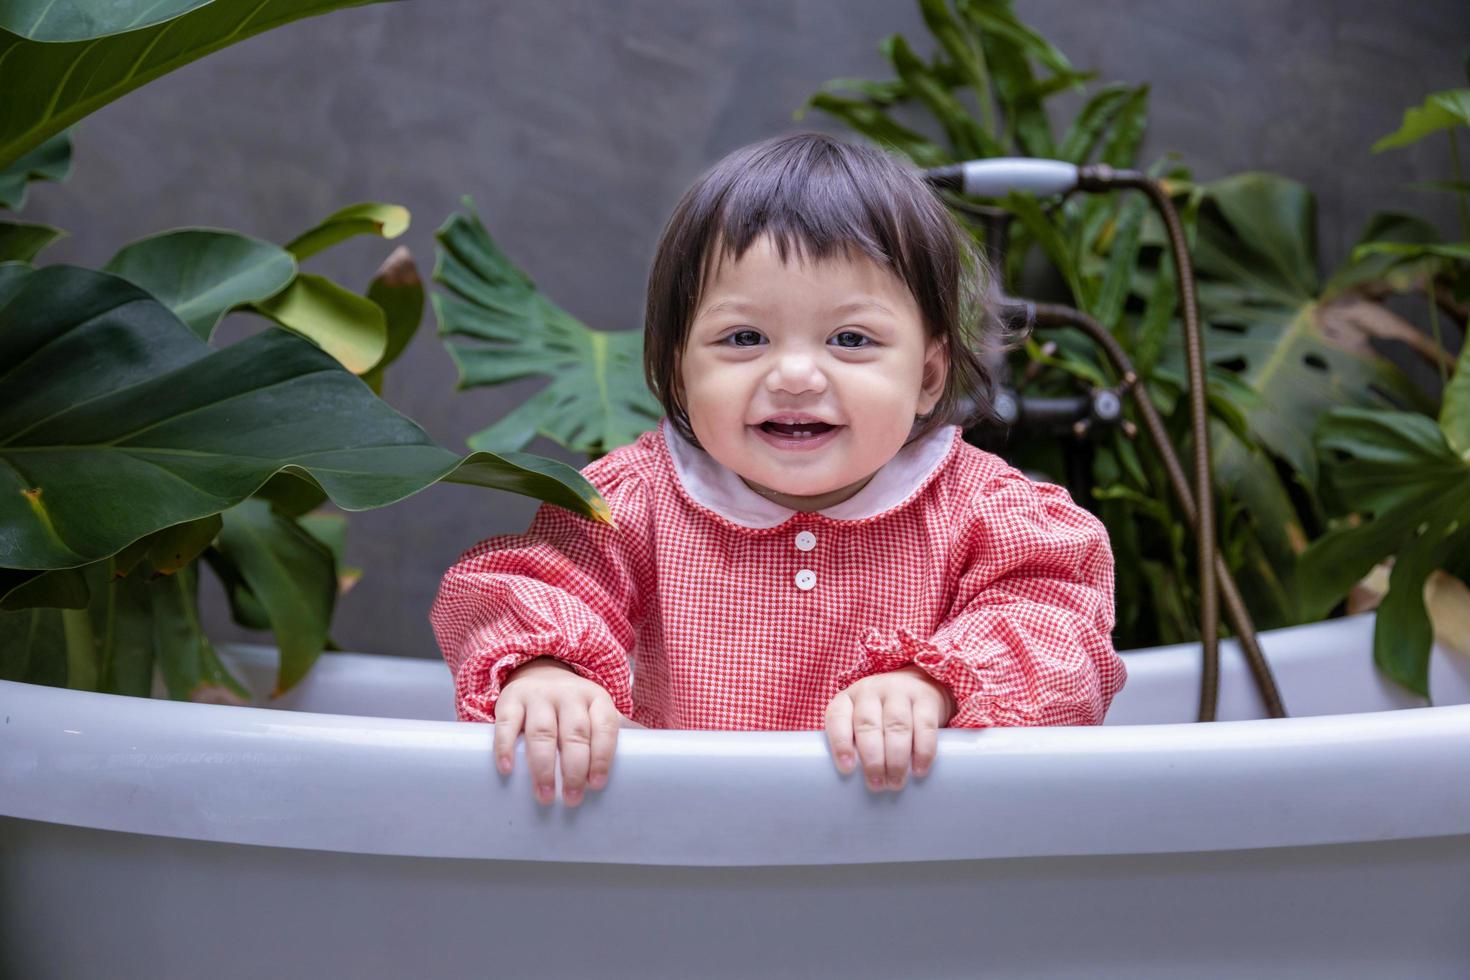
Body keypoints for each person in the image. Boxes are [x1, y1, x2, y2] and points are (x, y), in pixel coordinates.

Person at [431, 131, 1125, 809]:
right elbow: (531, 587)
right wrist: (547, 670)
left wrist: (936, 682)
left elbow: (1060, 629)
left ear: (928, 375)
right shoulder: (632, 502)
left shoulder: (983, 511)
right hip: (689, 857)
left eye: (850, 339)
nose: (794, 375)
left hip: (900, 867)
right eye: (744, 338)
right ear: (678, 369)